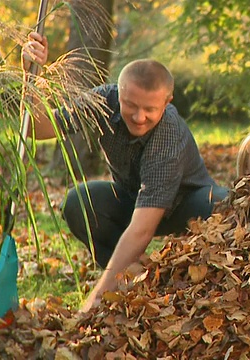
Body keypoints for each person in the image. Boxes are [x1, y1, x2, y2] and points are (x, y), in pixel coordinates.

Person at [22, 32, 228, 312]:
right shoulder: (103, 101)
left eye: (149, 109)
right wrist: (31, 76)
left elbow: (143, 229)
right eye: (130, 105)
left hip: (186, 205)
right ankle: (125, 276)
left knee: (223, 203)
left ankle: (196, 287)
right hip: (132, 198)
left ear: (167, 102)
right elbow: (38, 127)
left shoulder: (168, 133)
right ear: (119, 92)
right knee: (79, 201)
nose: (138, 117)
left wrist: (94, 298)